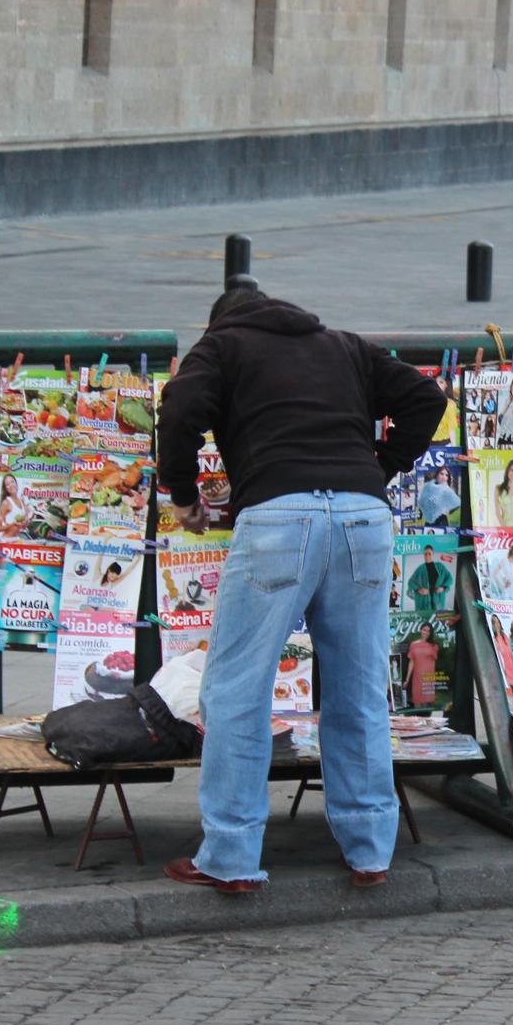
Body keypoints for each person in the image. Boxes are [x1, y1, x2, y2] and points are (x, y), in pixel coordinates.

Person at [156, 285, 445, 894]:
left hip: (279, 517)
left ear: (220, 321)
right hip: (364, 517)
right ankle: (370, 850)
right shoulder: (343, 345)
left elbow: (178, 409)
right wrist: (380, 464)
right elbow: (426, 397)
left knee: (236, 690)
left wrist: (182, 495)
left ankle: (231, 856)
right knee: (359, 687)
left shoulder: (223, 344)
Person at [401, 621, 441, 710]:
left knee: (426, 706)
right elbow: (411, 662)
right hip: (417, 677)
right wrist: (407, 679)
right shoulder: (413, 644)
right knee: (417, 703)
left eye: (428, 631)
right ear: (420, 630)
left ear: (430, 633)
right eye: (424, 630)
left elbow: (433, 663)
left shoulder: (434, 646)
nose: (426, 632)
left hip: (428, 678)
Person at [407, 543, 451, 613]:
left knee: (438, 617)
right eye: (425, 554)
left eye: (429, 554)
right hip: (424, 602)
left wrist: (443, 588)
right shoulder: (420, 569)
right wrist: (418, 590)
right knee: (425, 618)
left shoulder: (440, 567)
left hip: (438, 599)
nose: (427, 556)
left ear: (433, 554)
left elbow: (449, 578)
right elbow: (411, 582)